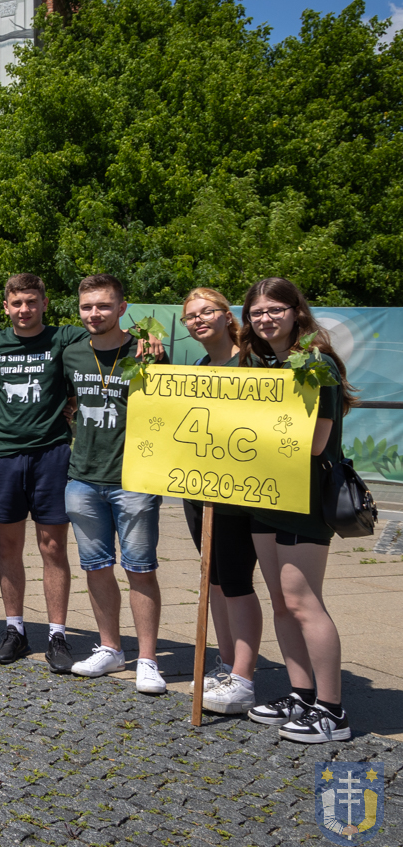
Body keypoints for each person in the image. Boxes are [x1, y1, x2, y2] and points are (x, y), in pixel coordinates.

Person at [239, 278, 355, 743]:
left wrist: (247, 439)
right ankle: (302, 695)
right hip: (266, 495)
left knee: (304, 603)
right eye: (257, 312)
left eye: (275, 309)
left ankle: (332, 711)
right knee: (282, 603)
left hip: (305, 499)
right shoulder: (264, 363)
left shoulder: (314, 363)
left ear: (296, 312)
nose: (265, 318)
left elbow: (316, 442)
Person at [60, 275, 168, 694]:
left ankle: (148, 660)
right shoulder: (72, 353)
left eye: (103, 306)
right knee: (96, 568)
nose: (94, 313)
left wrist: (154, 340)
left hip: (134, 479)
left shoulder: (146, 352)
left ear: (122, 308)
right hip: (83, 478)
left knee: (140, 569)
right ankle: (110, 648)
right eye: (87, 306)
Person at [0, 273, 88, 670]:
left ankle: (57, 634)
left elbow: (107, 339)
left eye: (31, 302)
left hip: (51, 455)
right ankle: (15, 630)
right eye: (17, 303)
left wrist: (146, 340)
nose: (24, 310)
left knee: (53, 547)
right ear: (6, 306)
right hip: (4, 456)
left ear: (44, 303)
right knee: (7, 547)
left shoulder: (64, 338)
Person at [178, 287, 263, 716]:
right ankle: (227, 665)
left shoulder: (251, 362)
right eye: (190, 316)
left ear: (227, 315)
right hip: (199, 489)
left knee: (236, 581)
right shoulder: (200, 367)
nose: (198, 320)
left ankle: (244, 679)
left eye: (206, 312)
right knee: (212, 578)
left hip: (239, 492)